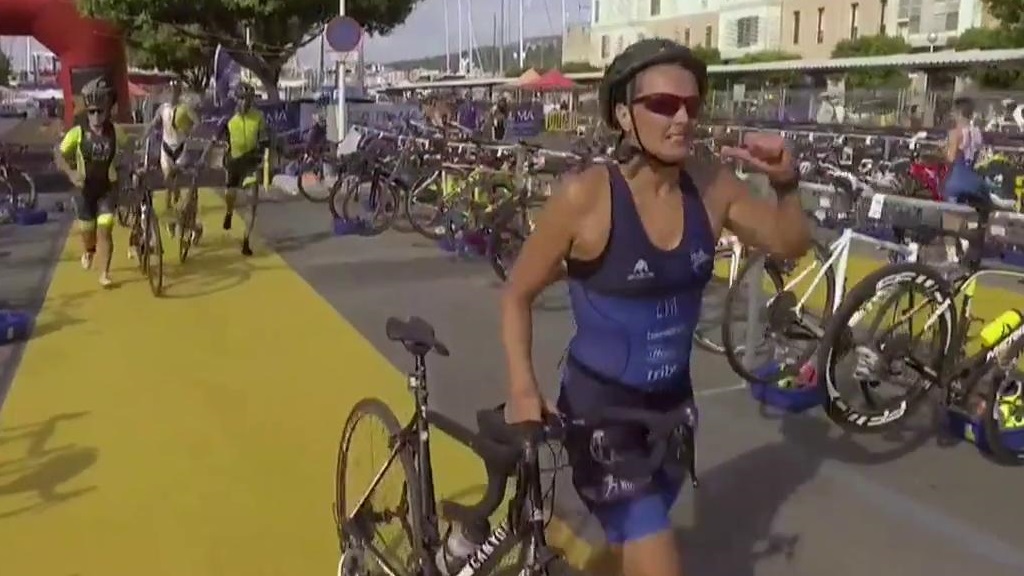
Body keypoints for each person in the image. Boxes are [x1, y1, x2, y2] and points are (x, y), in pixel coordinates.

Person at [499, 38, 810, 576]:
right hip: (601, 416)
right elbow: (517, 294)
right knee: (656, 554)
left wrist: (785, 183)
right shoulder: (585, 197)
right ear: (623, 115)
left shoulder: (712, 188)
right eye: (664, 105)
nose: (682, 118)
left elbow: (790, 242)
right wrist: (523, 388)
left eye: (691, 105)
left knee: (631, 548)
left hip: (672, 413)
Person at [54, 77, 130, 288]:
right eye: (92, 112)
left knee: (105, 228)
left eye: (100, 111)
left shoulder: (116, 132)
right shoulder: (78, 133)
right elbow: (59, 155)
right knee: (88, 233)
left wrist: (131, 166)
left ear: (107, 111)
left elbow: (129, 149)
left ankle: (104, 273)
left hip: (107, 188)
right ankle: (89, 250)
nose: (96, 116)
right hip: (85, 190)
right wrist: (71, 173)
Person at [200, 81, 269, 251]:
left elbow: (265, 138)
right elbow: (213, 140)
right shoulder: (228, 119)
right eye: (242, 99)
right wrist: (203, 157)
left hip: (251, 162)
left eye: (248, 99)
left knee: (252, 203)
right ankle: (229, 211)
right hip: (233, 162)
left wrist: (266, 153)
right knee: (230, 195)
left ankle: (246, 240)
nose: (245, 103)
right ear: (236, 100)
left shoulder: (258, 117)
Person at [143, 79, 198, 232]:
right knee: (167, 178)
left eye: (176, 91)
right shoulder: (163, 108)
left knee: (175, 175)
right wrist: (145, 134)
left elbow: (197, 122)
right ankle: (170, 208)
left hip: (180, 147)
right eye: (171, 90)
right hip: (166, 148)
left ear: (179, 92)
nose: (173, 94)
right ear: (168, 92)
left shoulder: (185, 108)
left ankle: (175, 204)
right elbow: (154, 122)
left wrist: (190, 131)